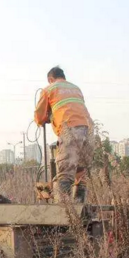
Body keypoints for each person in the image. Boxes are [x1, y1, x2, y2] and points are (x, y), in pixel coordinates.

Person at [34, 66, 93, 203]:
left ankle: (63, 212)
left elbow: (39, 115)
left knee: (65, 173)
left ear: (50, 79)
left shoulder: (49, 89)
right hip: (89, 131)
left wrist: (43, 119)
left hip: (70, 129)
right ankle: (79, 208)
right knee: (80, 173)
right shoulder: (75, 88)